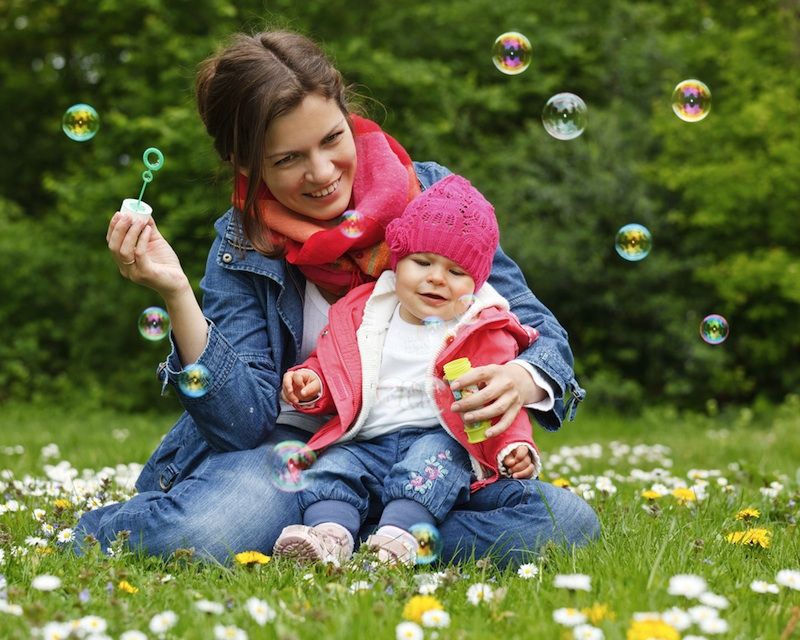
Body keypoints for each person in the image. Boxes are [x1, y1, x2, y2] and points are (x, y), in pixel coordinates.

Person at [75, 29, 598, 566]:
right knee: (201, 535)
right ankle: (365, 525)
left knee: (567, 524)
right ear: (247, 164)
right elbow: (242, 423)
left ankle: (356, 528)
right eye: (288, 159)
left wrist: (522, 377)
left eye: (332, 139)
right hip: (295, 456)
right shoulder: (241, 242)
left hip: (432, 453)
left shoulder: (435, 199)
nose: (322, 174)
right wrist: (176, 292)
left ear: (349, 115)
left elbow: (538, 330)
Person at [273, 175, 542, 566]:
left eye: (455, 272)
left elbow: (497, 400)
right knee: (332, 470)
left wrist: (514, 447)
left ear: (476, 283)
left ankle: (398, 538)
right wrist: (313, 384)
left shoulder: (481, 328)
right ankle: (328, 536)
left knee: (430, 468)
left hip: (438, 436)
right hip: (365, 439)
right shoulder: (365, 312)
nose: (436, 278)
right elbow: (337, 366)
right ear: (396, 264)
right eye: (422, 262)